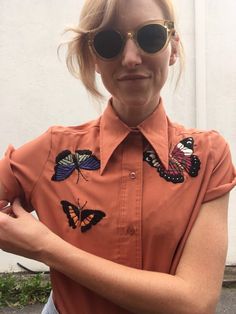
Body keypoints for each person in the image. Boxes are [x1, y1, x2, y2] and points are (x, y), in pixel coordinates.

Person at [0, 0, 235, 313]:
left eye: (150, 36)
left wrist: (46, 247)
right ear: (95, 58)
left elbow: (194, 302)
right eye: (108, 42)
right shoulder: (53, 150)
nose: (131, 58)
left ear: (173, 47)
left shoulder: (208, 157)